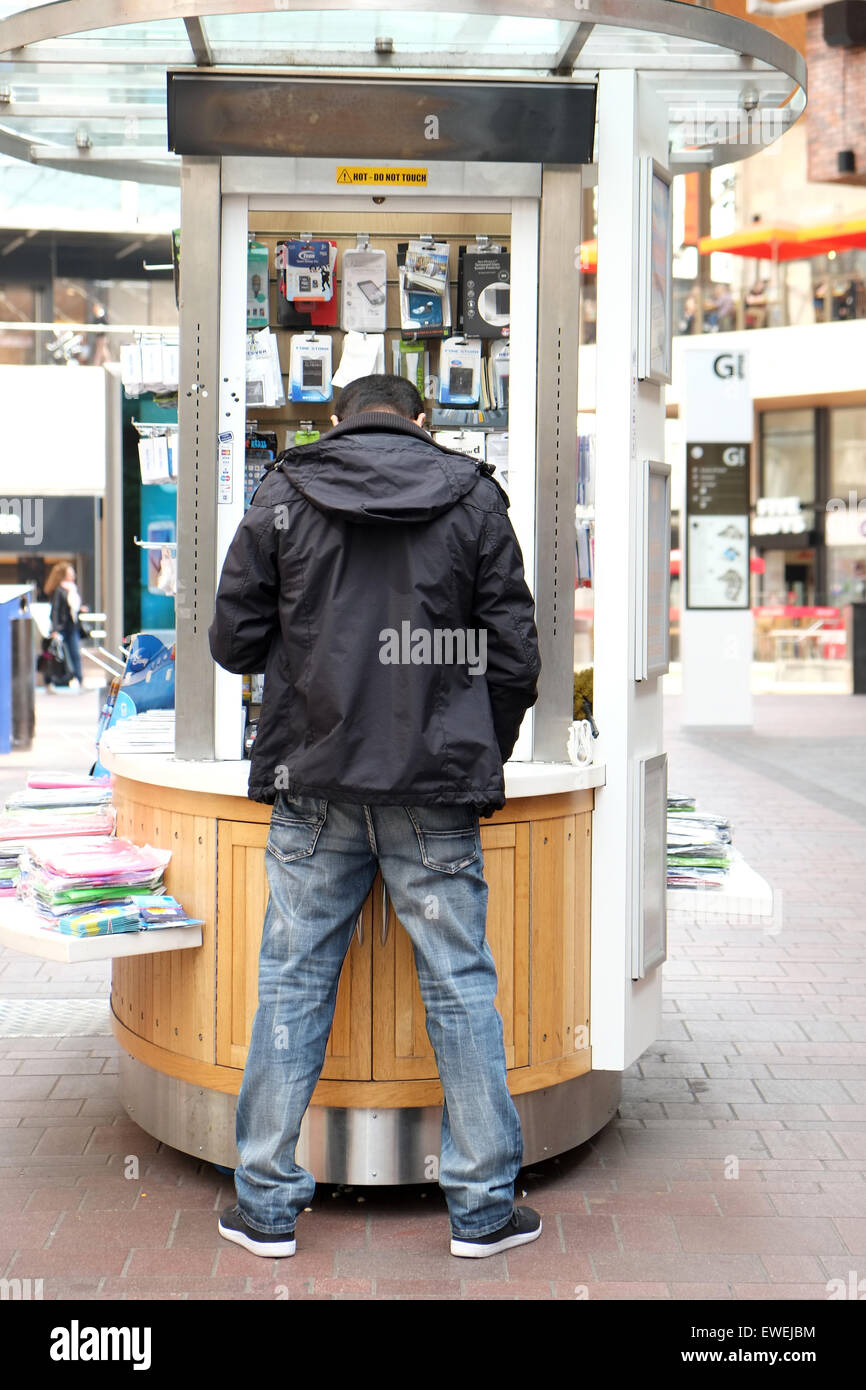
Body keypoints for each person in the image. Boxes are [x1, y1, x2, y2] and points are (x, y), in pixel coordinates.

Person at [209, 373, 542, 1261]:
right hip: (435, 787)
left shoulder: (285, 489)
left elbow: (231, 640)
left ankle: (268, 1206)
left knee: (291, 980)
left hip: (312, 781)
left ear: (335, 420)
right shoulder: (473, 497)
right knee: (460, 983)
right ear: (423, 420)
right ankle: (481, 1210)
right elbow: (515, 656)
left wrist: (305, 651)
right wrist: (477, 742)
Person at [44, 561, 87, 691]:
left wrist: (80, 610)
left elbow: (71, 610)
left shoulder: (72, 589)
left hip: (72, 627)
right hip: (62, 627)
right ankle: (50, 681)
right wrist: (55, 629)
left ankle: (79, 680)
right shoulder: (59, 590)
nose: (73, 576)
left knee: (75, 654)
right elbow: (56, 610)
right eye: (70, 574)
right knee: (56, 655)